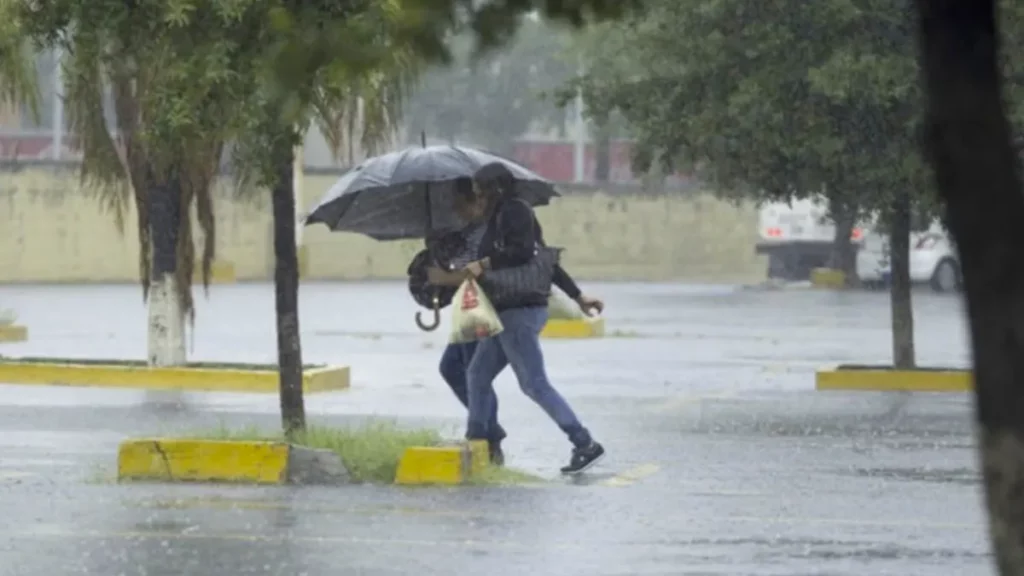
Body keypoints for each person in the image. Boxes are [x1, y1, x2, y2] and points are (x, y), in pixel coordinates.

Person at [425, 178, 600, 467]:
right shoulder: (498, 224)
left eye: (481, 193)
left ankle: (584, 442)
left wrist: (481, 265)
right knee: (477, 375)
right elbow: (547, 263)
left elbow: (529, 256)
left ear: (493, 192)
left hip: (519, 313)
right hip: (504, 313)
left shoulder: (514, 214)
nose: (479, 200)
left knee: (534, 384)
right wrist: (579, 297)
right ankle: (478, 440)